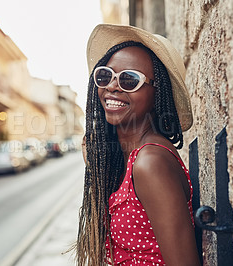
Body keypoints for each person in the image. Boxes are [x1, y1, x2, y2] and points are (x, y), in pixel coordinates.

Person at [76, 24, 200, 266]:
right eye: (105, 76)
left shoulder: (150, 163)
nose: (112, 86)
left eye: (129, 79)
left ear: (158, 93)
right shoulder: (125, 157)